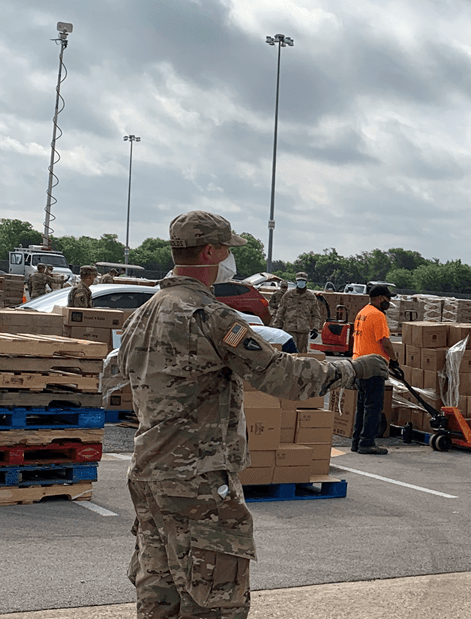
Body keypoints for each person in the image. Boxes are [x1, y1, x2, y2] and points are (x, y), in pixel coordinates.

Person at [116, 210, 388, 619]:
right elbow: (281, 375)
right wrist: (352, 369)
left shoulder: (145, 312)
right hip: (198, 478)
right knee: (215, 599)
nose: (230, 258)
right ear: (210, 251)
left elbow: (117, 373)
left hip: (149, 470)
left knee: (160, 594)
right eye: (228, 249)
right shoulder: (209, 316)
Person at [351, 285, 400, 455]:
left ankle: (357, 441)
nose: (390, 302)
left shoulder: (362, 312)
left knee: (362, 406)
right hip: (373, 365)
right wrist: (394, 360)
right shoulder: (378, 315)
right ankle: (367, 443)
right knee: (373, 407)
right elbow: (385, 341)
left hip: (358, 363)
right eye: (388, 298)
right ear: (380, 298)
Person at [272, 272, 323, 354]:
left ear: (306, 282)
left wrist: (315, 328)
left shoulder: (310, 297)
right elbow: (280, 311)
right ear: (296, 282)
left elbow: (316, 315)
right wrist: (277, 326)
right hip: (289, 329)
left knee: (302, 355)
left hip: (303, 330)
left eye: (303, 281)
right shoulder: (288, 295)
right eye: (299, 281)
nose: (301, 283)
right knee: (289, 353)